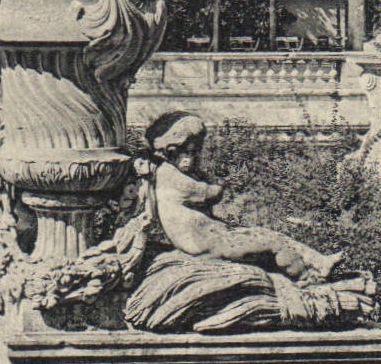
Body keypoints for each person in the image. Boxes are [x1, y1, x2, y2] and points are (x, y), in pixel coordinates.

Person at [144, 112, 342, 282]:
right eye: (185, 152)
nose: (191, 158)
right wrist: (217, 184)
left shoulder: (174, 172)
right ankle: (307, 280)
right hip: (205, 244)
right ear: (171, 149)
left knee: (267, 235)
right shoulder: (169, 174)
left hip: (213, 238)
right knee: (272, 243)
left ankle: (318, 262)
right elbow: (210, 193)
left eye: (194, 152)